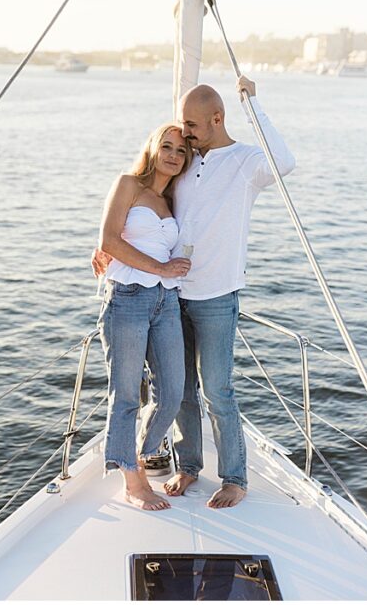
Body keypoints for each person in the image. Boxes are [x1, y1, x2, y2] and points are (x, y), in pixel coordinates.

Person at [93, 75, 295, 509]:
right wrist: (106, 246)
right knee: (179, 390)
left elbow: (285, 161)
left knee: (217, 390)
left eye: (190, 126)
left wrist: (253, 104)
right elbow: (143, 223)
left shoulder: (245, 161)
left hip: (216, 296)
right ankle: (188, 467)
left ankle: (234, 478)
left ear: (217, 118)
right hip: (168, 296)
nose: (183, 135)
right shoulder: (184, 166)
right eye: (178, 132)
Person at [96, 123, 192, 510]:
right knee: (126, 395)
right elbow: (109, 239)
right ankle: (132, 481)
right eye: (166, 146)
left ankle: (138, 452)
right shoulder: (128, 185)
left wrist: (167, 274)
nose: (172, 154)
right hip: (129, 300)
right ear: (153, 148)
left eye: (181, 151)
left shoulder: (172, 200)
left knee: (172, 391)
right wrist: (161, 268)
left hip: (165, 303)